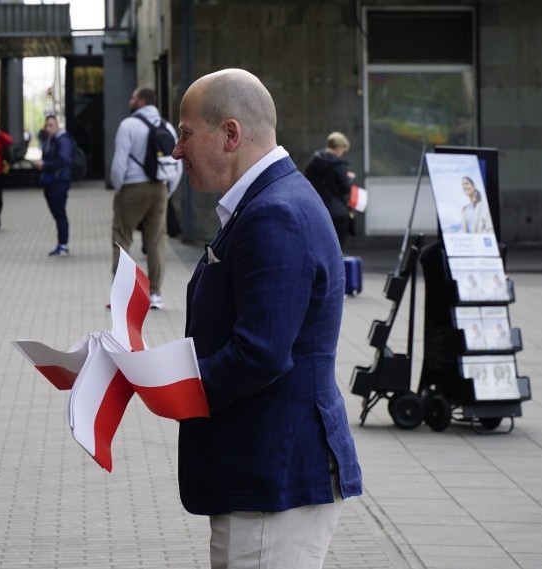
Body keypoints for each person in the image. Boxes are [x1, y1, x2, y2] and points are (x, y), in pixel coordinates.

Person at [171, 69, 362, 569]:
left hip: (274, 478)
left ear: (230, 134)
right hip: (263, 474)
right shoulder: (268, 202)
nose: (176, 150)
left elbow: (260, 352)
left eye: (185, 134)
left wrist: (170, 387)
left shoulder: (274, 213)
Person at [109, 87, 182, 310]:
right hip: (160, 188)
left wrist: (118, 188)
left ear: (140, 102)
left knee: (122, 238)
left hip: (132, 187)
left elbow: (119, 164)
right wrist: (167, 191)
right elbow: (176, 164)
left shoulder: (128, 125)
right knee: (157, 241)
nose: (130, 100)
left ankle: (122, 295)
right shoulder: (167, 126)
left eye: (132, 97)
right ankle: (155, 294)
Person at [303, 132, 355, 252]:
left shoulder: (313, 162)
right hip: (337, 213)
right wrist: (349, 179)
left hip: (316, 210)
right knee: (336, 251)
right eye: (343, 150)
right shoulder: (338, 165)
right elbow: (345, 188)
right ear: (339, 147)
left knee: (318, 249)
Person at [33, 115, 73, 257]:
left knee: (59, 213)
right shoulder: (51, 140)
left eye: (51, 125)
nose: (48, 128)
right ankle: (62, 243)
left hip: (59, 181)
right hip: (52, 181)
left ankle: (63, 245)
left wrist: (45, 164)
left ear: (58, 125)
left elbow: (62, 160)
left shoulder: (63, 140)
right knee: (57, 213)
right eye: (46, 126)